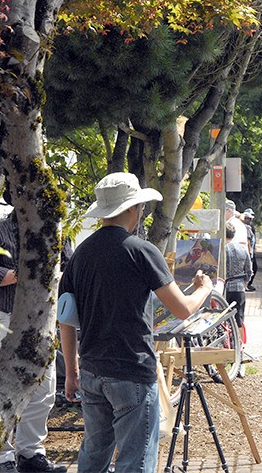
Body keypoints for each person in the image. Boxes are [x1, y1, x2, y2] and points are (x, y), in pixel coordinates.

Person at [59, 172, 213, 473]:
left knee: (93, 454)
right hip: (131, 368)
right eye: (139, 206)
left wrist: (71, 371)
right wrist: (203, 289)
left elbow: (66, 318)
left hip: (91, 369)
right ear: (131, 208)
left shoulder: (81, 254)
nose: (141, 211)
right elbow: (181, 310)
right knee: (135, 460)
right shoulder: (141, 250)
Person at [0, 188, 70, 473]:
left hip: (42, 321)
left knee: (45, 390)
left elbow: (69, 268)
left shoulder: (54, 231)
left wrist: (44, 275)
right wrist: (28, 274)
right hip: (4, 319)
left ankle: (31, 454)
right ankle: (3, 457)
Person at [224, 221, 252, 377]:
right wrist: (244, 283)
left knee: (225, 320)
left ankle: (227, 348)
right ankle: (240, 350)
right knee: (239, 320)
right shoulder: (243, 249)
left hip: (225, 289)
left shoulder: (222, 250)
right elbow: (249, 271)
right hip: (240, 288)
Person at [242, 208, 258, 291]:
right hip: (247, 252)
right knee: (250, 269)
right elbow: (248, 241)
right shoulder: (246, 227)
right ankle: (247, 284)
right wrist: (250, 252)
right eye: (249, 218)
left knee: (252, 268)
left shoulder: (250, 226)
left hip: (250, 251)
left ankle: (248, 284)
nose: (250, 220)